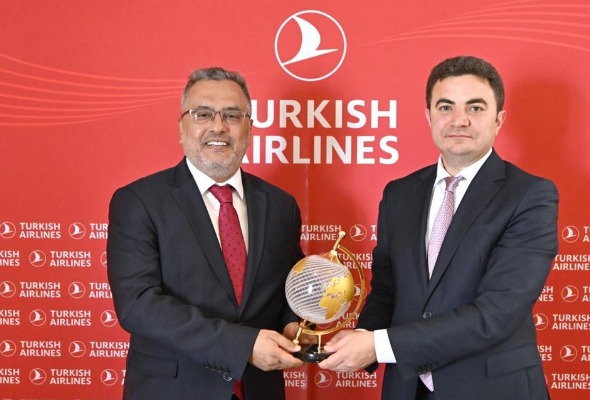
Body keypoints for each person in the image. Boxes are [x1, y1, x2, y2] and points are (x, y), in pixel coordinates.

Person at [318, 56, 558, 400]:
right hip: (407, 388)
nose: (459, 120)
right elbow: (387, 290)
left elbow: (497, 313)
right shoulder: (399, 194)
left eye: (475, 108)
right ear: (429, 116)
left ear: (499, 119)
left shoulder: (530, 195)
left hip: (492, 389)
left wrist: (379, 345)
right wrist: (360, 337)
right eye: (446, 107)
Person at [107, 67, 305, 400]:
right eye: (203, 114)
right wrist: (243, 346)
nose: (218, 127)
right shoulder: (139, 201)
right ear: (181, 126)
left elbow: (287, 290)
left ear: (249, 127)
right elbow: (138, 304)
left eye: (232, 115)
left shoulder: (281, 205)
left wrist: (293, 325)